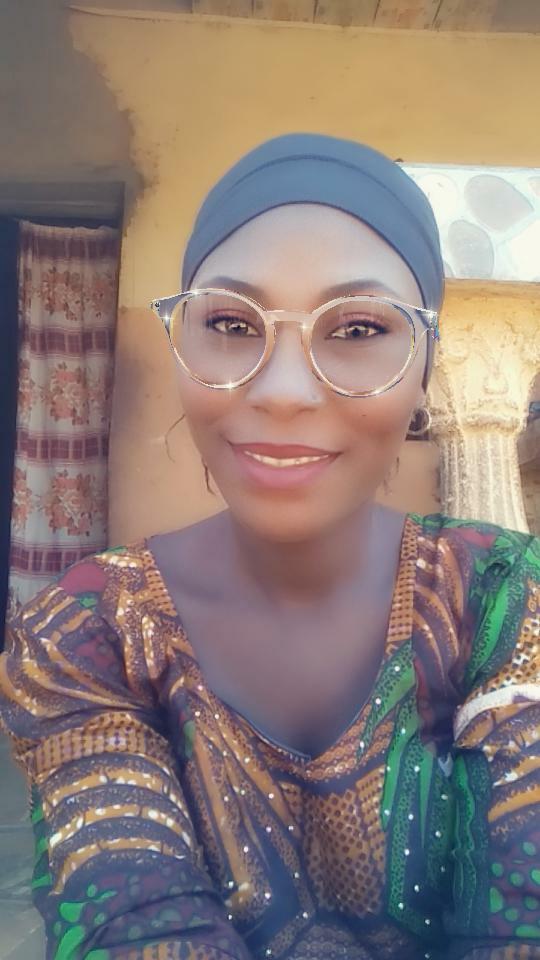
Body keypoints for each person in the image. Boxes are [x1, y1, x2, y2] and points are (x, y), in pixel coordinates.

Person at [1, 134, 539, 960]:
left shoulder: (502, 596)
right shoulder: (87, 632)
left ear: (425, 369)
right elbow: (130, 919)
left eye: (357, 327)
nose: (284, 390)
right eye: (229, 322)